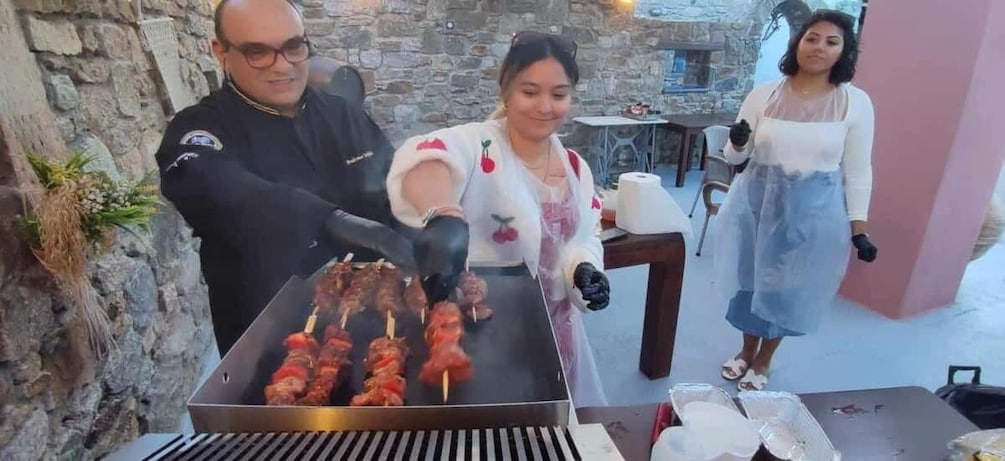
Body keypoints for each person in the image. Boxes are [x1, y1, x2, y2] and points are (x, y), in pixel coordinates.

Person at [155, 0, 414, 355]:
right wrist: (327, 219)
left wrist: (427, 222)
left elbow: (393, 187)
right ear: (221, 52)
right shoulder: (201, 127)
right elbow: (206, 185)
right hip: (268, 340)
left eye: (294, 47)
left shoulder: (343, 115)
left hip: (373, 330)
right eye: (257, 52)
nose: (282, 66)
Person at [384, 32, 612, 408]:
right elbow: (427, 157)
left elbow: (586, 235)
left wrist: (585, 267)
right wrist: (443, 213)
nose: (544, 106)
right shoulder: (477, 145)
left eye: (558, 94)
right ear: (506, 91)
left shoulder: (575, 166)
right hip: (485, 328)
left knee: (551, 423)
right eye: (530, 91)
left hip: (559, 326)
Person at [715, 10, 879, 391]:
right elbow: (736, 157)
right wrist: (738, 142)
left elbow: (858, 170)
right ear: (798, 43)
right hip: (755, 205)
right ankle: (744, 351)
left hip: (812, 213)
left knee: (787, 288)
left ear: (844, 51)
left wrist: (860, 229)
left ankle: (764, 360)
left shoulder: (855, 103)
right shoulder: (763, 94)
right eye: (812, 38)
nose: (819, 47)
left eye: (831, 41)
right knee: (749, 281)